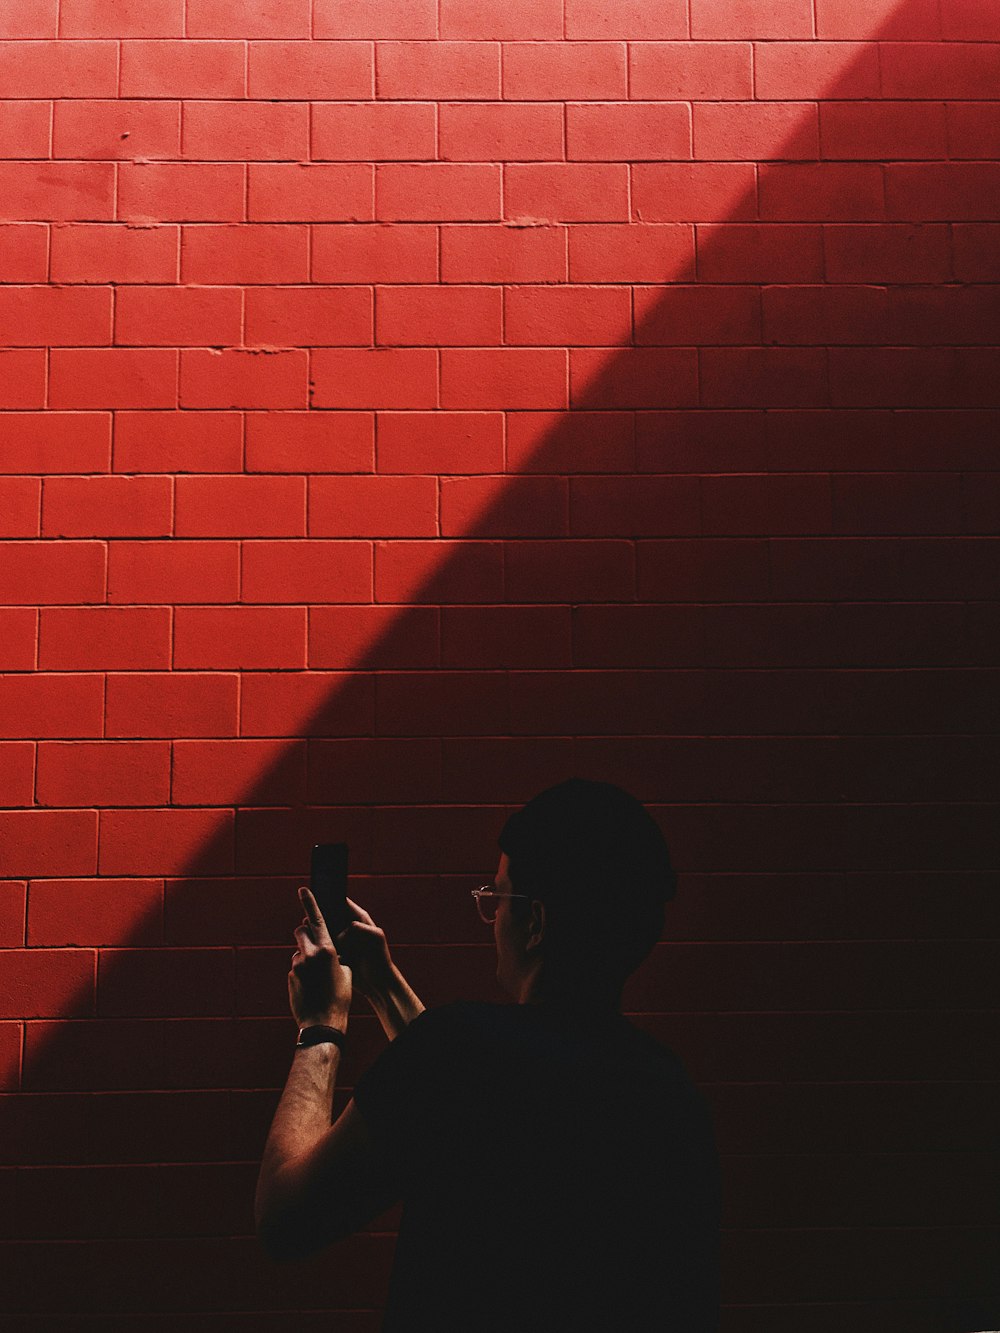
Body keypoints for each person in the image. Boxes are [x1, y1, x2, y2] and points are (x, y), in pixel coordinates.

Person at [255, 779, 720, 1331]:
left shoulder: (459, 1052)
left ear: (536, 923)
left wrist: (321, 1027)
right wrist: (381, 983)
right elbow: (475, 1095)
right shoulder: (664, 1089)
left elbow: (285, 1218)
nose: (492, 914)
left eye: (498, 897)